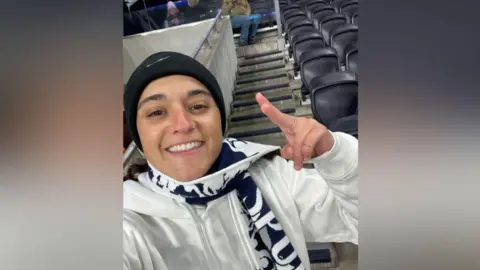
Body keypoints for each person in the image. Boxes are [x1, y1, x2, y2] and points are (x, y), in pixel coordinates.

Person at [123, 52, 358, 270]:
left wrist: (337, 158)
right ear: (139, 136)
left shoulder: (273, 174)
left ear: (220, 119)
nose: (183, 124)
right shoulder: (128, 221)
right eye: (156, 112)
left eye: (198, 106)